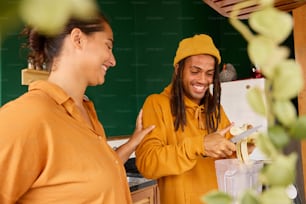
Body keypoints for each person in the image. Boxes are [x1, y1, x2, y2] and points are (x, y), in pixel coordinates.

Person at [0, 10, 155, 204]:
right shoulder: (27, 117)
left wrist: (133, 142)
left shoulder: (86, 113)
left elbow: (92, 173)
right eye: (108, 46)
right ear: (78, 39)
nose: (113, 60)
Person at [135, 34, 237, 204]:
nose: (203, 80)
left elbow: (226, 161)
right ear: (178, 70)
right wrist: (198, 146)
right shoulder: (157, 104)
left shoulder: (215, 110)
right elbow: (148, 163)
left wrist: (240, 149)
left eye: (209, 74)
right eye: (195, 71)